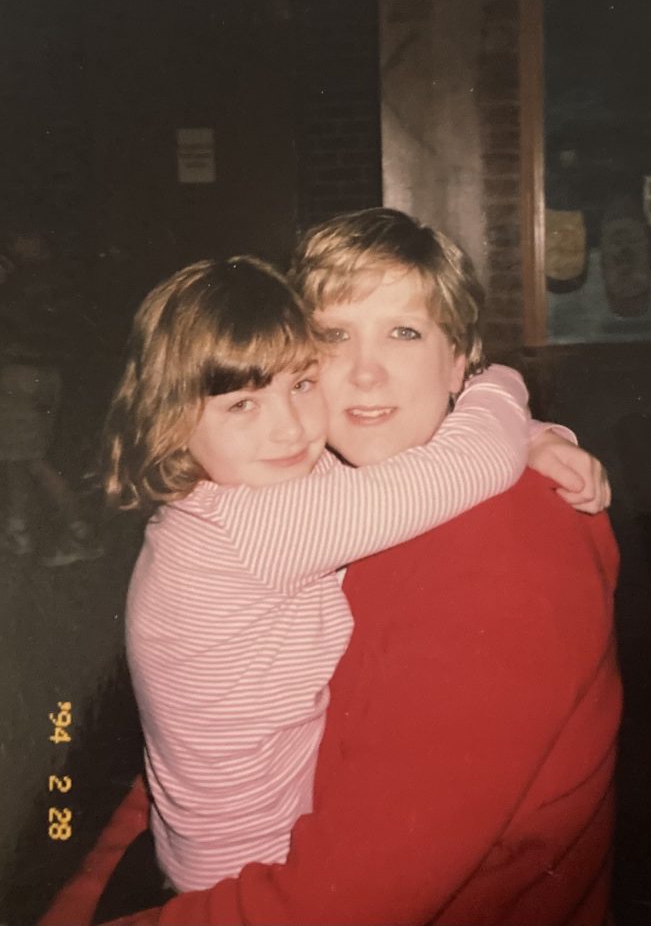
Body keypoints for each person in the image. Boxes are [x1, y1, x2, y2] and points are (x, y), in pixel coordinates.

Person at [40, 209, 618, 926]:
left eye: (404, 332)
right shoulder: (294, 490)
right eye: (333, 336)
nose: (365, 370)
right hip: (233, 873)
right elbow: (177, 751)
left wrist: (516, 427)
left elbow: (351, 898)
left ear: (459, 356)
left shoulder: (502, 560)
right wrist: (509, 402)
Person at [100, 251, 549, 894]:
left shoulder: (234, 489)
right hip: (248, 874)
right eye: (241, 405)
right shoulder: (255, 526)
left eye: (301, 384)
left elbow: (431, 455)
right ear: (169, 420)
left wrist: (536, 435)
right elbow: (470, 463)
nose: (289, 426)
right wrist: (495, 378)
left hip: (200, 851)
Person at [0, 224, 103, 566]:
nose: (13, 241)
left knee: (32, 460)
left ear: (36, 240)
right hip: (42, 375)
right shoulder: (51, 279)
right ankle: (18, 531)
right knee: (17, 455)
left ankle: (81, 532)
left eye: (20, 236)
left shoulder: (26, 282)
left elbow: (15, 328)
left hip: (20, 374)